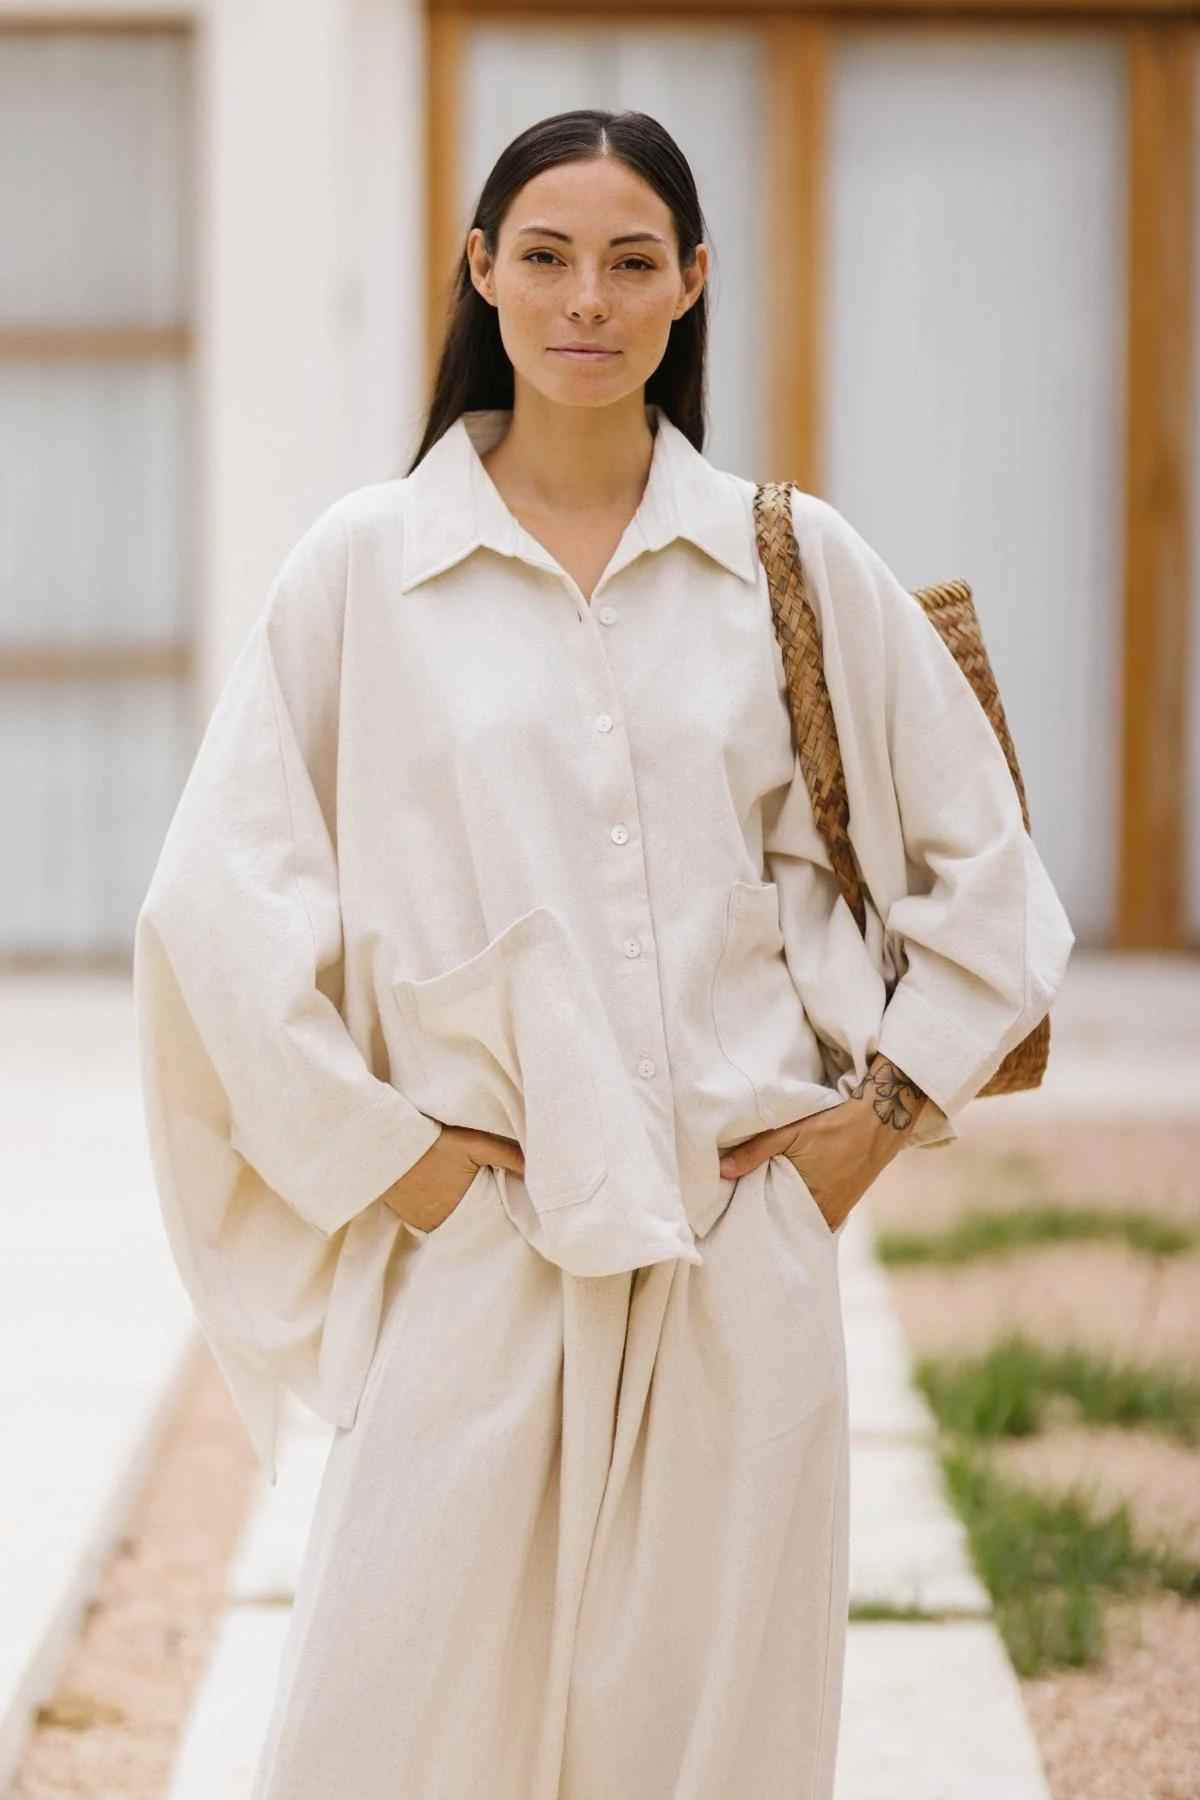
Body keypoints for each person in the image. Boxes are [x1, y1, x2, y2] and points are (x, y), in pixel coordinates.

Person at [133, 107, 1075, 1799]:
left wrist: (865, 1130)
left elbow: (987, 872)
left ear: (693, 284)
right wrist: (398, 1164)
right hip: (477, 1261)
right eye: (548, 256)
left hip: (741, 1250)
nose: (589, 299)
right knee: (394, 1730)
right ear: (481, 270)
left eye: (634, 261)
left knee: (716, 1746)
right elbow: (215, 911)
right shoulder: (364, 573)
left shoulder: (782, 560)